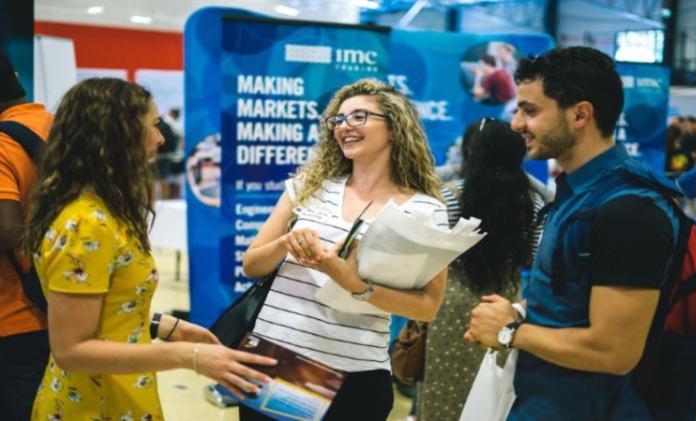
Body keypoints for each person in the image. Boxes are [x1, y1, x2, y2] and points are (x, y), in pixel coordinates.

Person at [24, 78, 276, 420]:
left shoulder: (105, 211)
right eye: (153, 126)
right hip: (91, 405)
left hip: (117, 392)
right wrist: (189, 357)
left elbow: (106, 309)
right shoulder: (86, 223)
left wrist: (164, 326)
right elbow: (71, 350)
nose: (160, 138)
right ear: (117, 134)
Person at [466, 46, 679, 419]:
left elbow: (614, 351)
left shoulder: (629, 209)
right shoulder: (577, 192)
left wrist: (510, 332)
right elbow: (573, 299)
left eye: (530, 111)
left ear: (581, 114)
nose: (516, 124)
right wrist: (519, 311)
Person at [241, 78, 448, 420]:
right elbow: (252, 265)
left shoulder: (425, 210)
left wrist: (354, 284)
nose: (344, 127)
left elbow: (428, 307)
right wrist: (284, 243)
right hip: (277, 360)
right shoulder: (309, 187)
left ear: (394, 129)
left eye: (359, 117)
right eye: (338, 120)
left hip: (357, 375)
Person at [419, 118, 545, 421]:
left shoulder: (448, 195)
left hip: (448, 306)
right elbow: (535, 259)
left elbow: (427, 254)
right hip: (504, 305)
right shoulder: (532, 201)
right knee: (493, 397)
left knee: (442, 392)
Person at [0, 50, 53, 421]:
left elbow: (7, 232)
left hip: (13, 315)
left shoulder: (2, 144)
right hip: (61, 305)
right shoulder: (57, 127)